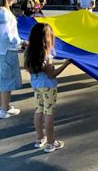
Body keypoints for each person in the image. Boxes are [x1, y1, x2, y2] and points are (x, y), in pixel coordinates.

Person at [24, 23, 71, 153]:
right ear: (47, 39)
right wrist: (66, 64)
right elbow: (52, 75)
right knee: (49, 114)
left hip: (37, 86)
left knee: (38, 110)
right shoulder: (46, 56)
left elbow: (28, 68)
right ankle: (51, 142)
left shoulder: (29, 52)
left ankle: (39, 138)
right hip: (49, 88)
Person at [0, 0, 27, 119]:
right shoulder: (2, 12)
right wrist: (20, 43)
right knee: (6, 80)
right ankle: (5, 108)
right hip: (5, 51)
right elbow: (5, 36)